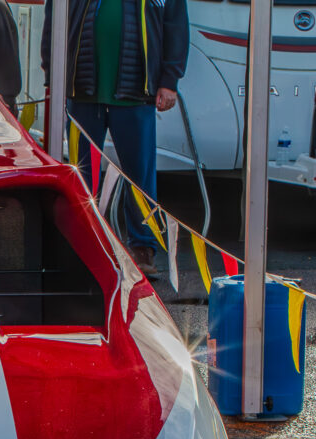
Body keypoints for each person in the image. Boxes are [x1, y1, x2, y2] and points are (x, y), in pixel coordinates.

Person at [42, 0, 188, 275]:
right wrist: (52, 75)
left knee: (140, 178)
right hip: (82, 92)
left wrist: (170, 81)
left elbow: (176, 27)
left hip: (136, 93)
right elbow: (53, 21)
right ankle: (80, 244)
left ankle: (143, 249)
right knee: (80, 175)